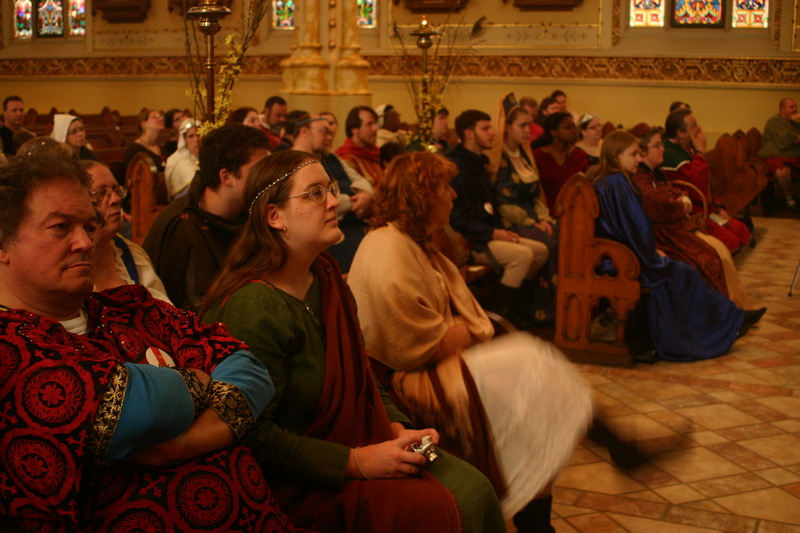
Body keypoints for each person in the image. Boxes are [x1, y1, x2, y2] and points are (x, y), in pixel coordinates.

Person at [202, 150, 506, 533]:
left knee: (474, 486)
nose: (334, 201)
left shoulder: (326, 276)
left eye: (330, 188)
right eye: (315, 193)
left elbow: (361, 372)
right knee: (449, 503)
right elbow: (253, 436)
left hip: (355, 445)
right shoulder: (253, 308)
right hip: (295, 481)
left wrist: (395, 427)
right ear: (274, 216)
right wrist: (357, 461)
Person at [0, 153, 298, 532]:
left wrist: (182, 445)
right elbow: (145, 410)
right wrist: (197, 379)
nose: (85, 242)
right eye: (60, 227)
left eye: (89, 227)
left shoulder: (131, 306)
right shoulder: (9, 343)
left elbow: (249, 367)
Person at [347, 151, 594, 531]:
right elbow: (420, 345)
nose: (454, 195)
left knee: (534, 392)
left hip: (432, 362)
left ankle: (540, 513)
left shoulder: (411, 239)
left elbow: (454, 320)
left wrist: (465, 330)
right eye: (445, 187)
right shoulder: (389, 248)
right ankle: (539, 516)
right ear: (422, 196)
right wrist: (467, 330)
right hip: (403, 380)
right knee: (528, 368)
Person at [590, 131, 765, 361]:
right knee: (683, 271)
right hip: (622, 257)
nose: (639, 159)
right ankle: (706, 332)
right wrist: (651, 254)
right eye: (633, 154)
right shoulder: (619, 183)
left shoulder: (611, 179)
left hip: (622, 251)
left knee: (687, 268)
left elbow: (634, 226)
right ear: (615, 156)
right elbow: (635, 227)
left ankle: (730, 319)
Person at [143, 124, 270, 311]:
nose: (267, 179)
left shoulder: (256, 211)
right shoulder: (181, 225)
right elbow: (172, 308)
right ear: (227, 177)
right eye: (258, 171)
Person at [633, 127, 755, 310]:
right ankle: (723, 311)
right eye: (657, 145)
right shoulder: (640, 177)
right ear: (642, 152)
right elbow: (659, 206)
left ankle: (735, 308)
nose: (663, 149)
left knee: (721, 249)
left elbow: (674, 190)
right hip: (664, 233)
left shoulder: (654, 172)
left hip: (677, 226)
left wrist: (682, 198)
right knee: (712, 254)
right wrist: (682, 205)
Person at [488, 93, 558, 323]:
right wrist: (532, 223)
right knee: (549, 244)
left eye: (529, 124)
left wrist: (543, 218)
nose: (529, 130)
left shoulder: (524, 155)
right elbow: (503, 202)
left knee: (562, 235)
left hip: (533, 218)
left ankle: (553, 309)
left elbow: (536, 194)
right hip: (511, 221)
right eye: (522, 125)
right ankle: (534, 309)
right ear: (507, 127)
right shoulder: (499, 158)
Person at [661, 108, 752, 253]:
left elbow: (707, 186)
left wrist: (718, 207)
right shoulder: (671, 154)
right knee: (731, 241)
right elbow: (698, 184)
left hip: (707, 207)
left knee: (741, 230)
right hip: (693, 213)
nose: (699, 128)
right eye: (694, 125)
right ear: (681, 132)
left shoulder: (687, 149)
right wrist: (700, 150)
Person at [293, 112, 374, 272]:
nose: (330, 138)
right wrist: (351, 202)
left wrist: (366, 195)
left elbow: (361, 181)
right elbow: (318, 203)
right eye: (324, 132)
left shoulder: (332, 158)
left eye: (331, 133)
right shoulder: (291, 163)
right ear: (304, 131)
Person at [83, 160, 171, 302]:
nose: (116, 199)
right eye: (101, 193)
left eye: (116, 190)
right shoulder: (69, 265)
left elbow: (163, 309)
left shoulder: (131, 255)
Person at [534, 112, 589, 212]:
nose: (574, 131)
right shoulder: (537, 156)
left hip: (575, 211)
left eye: (574, 127)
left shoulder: (579, 156)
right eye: (568, 128)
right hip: (545, 212)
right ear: (554, 132)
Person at [758, 97, 800, 209]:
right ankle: (789, 199)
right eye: (791, 107)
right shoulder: (775, 121)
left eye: (795, 107)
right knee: (783, 172)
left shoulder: (795, 123)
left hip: (791, 157)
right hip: (773, 156)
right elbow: (793, 139)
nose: (795, 109)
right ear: (782, 109)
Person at [336, 105, 383, 185]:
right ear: (354, 129)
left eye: (375, 123)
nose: (375, 128)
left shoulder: (375, 153)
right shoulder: (346, 159)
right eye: (369, 124)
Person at [165, 118, 201, 200]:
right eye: (191, 136)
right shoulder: (179, 161)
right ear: (184, 140)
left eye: (199, 134)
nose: (196, 139)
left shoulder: (207, 156)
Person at [123, 108, 166, 173]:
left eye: (161, 117)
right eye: (155, 117)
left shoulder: (162, 148)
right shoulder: (134, 150)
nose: (162, 119)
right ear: (143, 123)